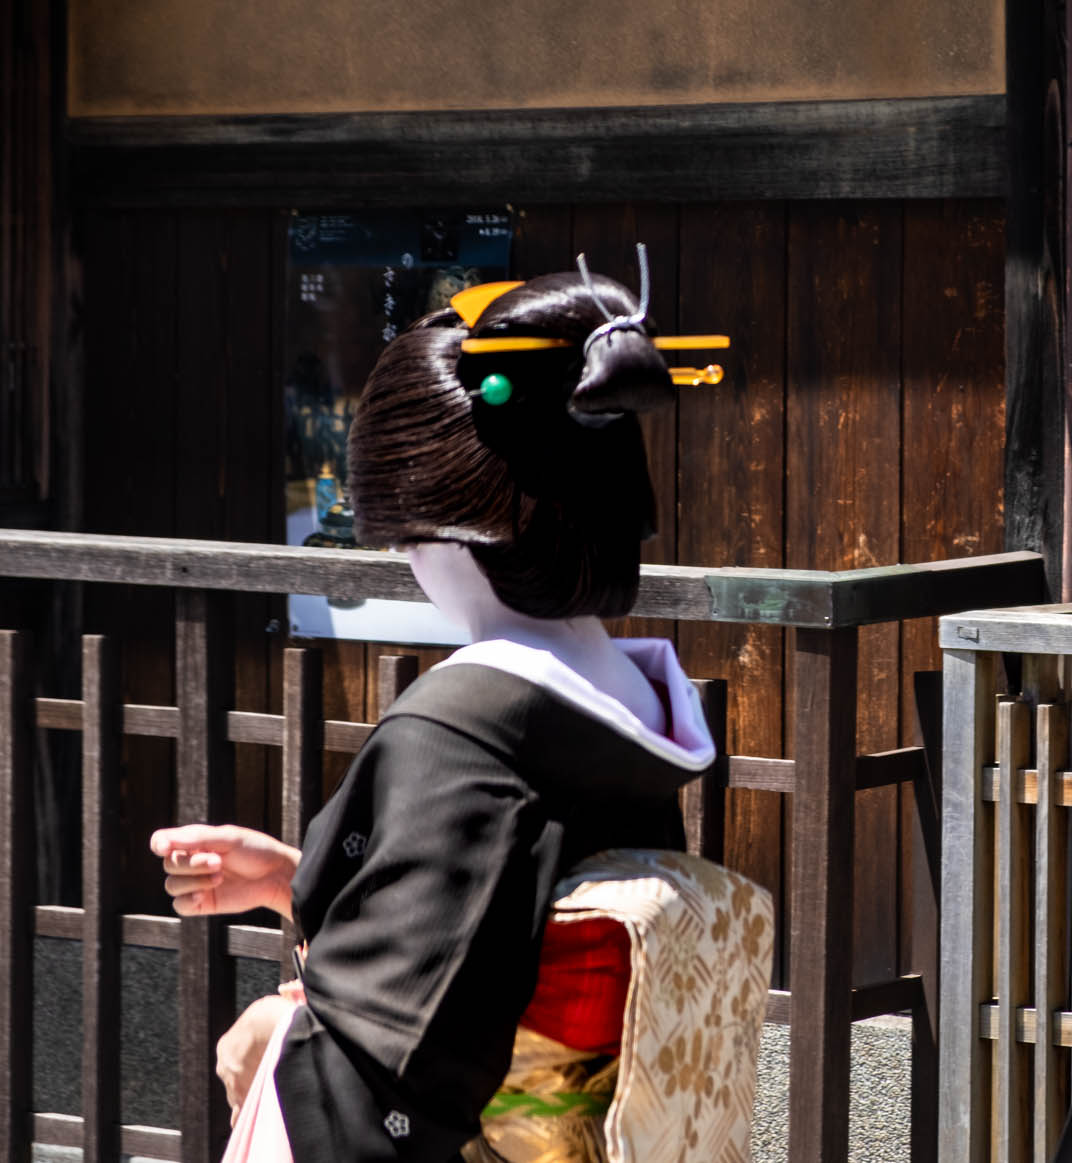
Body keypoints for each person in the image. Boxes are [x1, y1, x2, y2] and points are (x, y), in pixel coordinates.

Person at [152, 259, 764, 1163]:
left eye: (405, 525)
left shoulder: (463, 725)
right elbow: (497, 921)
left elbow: (385, 1080)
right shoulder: (627, 699)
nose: (403, 550)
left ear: (451, 521)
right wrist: (293, 878)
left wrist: (272, 1040)